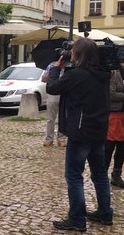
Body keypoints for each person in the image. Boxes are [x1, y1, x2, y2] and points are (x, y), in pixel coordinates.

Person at [46, 38, 113, 231]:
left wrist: (56, 68)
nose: (71, 53)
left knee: (74, 176)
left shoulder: (76, 75)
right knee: (100, 174)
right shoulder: (103, 73)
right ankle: (105, 212)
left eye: (73, 50)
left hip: (80, 132)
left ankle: (77, 218)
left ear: (79, 54)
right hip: (99, 131)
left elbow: (52, 88)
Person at [41, 60, 67, 147]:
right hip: (53, 94)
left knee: (63, 117)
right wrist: (52, 73)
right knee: (50, 118)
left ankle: (61, 138)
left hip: (65, 93)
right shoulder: (51, 65)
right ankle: (49, 138)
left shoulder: (69, 66)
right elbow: (43, 79)